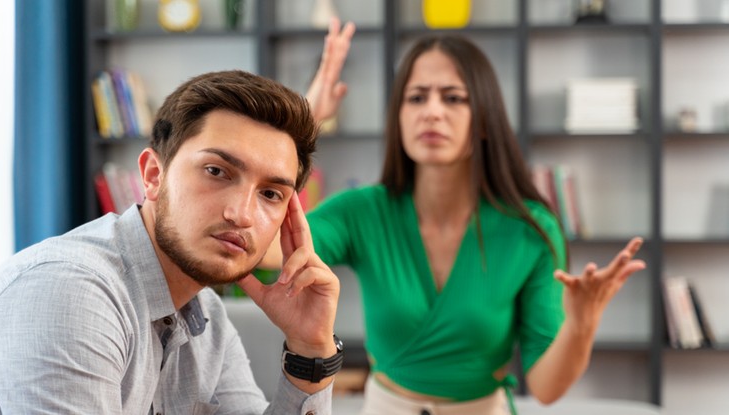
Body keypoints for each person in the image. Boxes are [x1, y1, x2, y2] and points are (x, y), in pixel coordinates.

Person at [265, 19, 648, 415]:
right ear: (398, 116)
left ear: (483, 118)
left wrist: (581, 325)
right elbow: (267, 252)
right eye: (416, 98)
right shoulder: (362, 211)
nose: (432, 112)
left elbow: (547, 388)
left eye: (452, 98)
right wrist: (303, 123)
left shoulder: (531, 230)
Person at [0, 70, 344, 414]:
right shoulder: (69, 291)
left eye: (270, 194)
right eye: (217, 171)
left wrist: (309, 352)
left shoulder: (206, 316)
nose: (243, 214)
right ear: (153, 175)